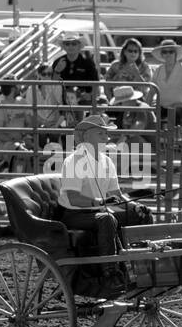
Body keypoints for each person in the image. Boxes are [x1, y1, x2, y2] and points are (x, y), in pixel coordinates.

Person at [58, 114, 151, 288]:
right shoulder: (74, 161)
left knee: (141, 214)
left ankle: (142, 265)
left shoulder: (107, 161)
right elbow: (73, 198)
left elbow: (117, 194)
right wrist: (101, 202)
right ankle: (110, 273)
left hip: (98, 211)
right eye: (101, 133)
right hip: (75, 214)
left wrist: (134, 206)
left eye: (106, 134)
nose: (106, 137)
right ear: (86, 136)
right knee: (107, 218)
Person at [149, 38, 182, 131]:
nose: (168, 54)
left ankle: (173, 143)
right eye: (165, 52)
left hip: (179, 108)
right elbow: (151, 92)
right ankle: (154, 142)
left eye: (171, 52)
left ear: (175, 54)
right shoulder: (158, 69)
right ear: (162, 54)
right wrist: (146, 109)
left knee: (174, 114)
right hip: (162, 107)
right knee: (148, 118)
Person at [0, 80, 36, 175]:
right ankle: (18, 181)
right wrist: (16, 140)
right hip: (6, 143)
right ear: (12, 89)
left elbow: (30, 123)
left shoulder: (22, 102)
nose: (19, 88)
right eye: (17, 86)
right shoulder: (0, 106)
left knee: (37, 151)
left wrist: (25, 135)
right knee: (21, 152)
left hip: (23, 141)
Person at [52, 33, 101, 107]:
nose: (70, 46)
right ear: (64, 47)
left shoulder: (88, 63)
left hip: (83, 101)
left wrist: (89, 95)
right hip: (62, 100)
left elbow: (96, 84)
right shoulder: (58, 62)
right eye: (67, 44)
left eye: (74, 44)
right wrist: (57, 71)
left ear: (79, 46)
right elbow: (51, 84)